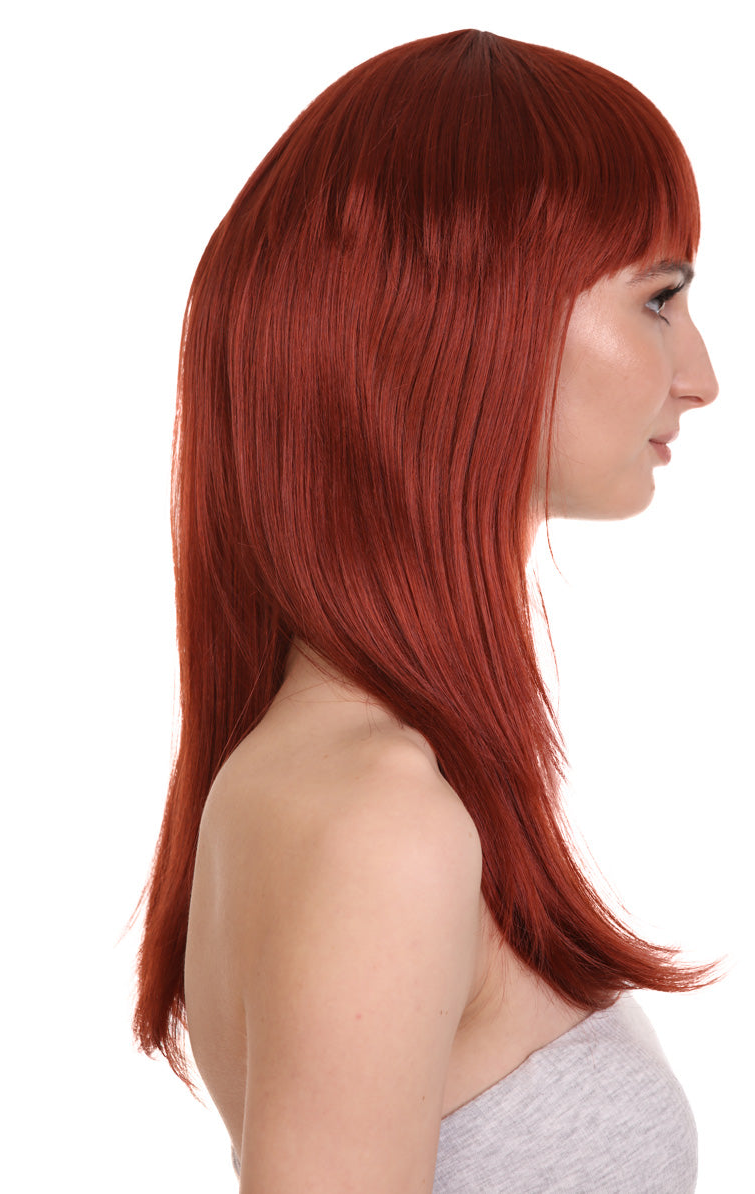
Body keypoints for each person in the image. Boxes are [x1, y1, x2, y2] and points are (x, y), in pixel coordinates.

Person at [133, 28, 720, 1193]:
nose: (700, 376)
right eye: (658, 299)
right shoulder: (378, 817)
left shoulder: (342, 773)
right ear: (474, 317)